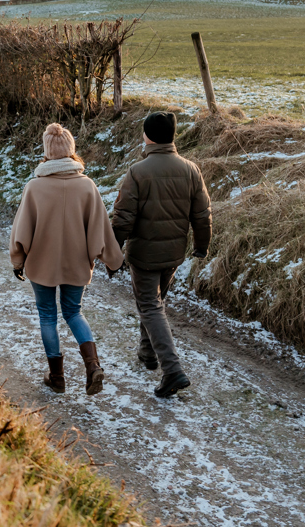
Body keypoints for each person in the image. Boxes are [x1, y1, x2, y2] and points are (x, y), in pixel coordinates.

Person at [10, 123, 123, 395]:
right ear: (72, 152)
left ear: (47, 153)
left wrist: (18, 261)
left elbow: (21, 231)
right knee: (73, 312)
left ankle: (57, 378)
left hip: (41, 265)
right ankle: (93, 366)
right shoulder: (87, 186)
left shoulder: (34, 188)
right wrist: (112, 260)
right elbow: (101, 229)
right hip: (76, 263)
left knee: (48, 315)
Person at [111, 111, 211, 398]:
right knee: (154, 302)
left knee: (150, 305)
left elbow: (123, 219)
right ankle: (147, 352)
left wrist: (112, 251)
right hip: (173, 254)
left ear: (148, 136)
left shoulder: (137, 172)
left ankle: (172, 370)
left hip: (144, 254)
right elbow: (202, 215)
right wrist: (201, 246)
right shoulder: (191, 169)